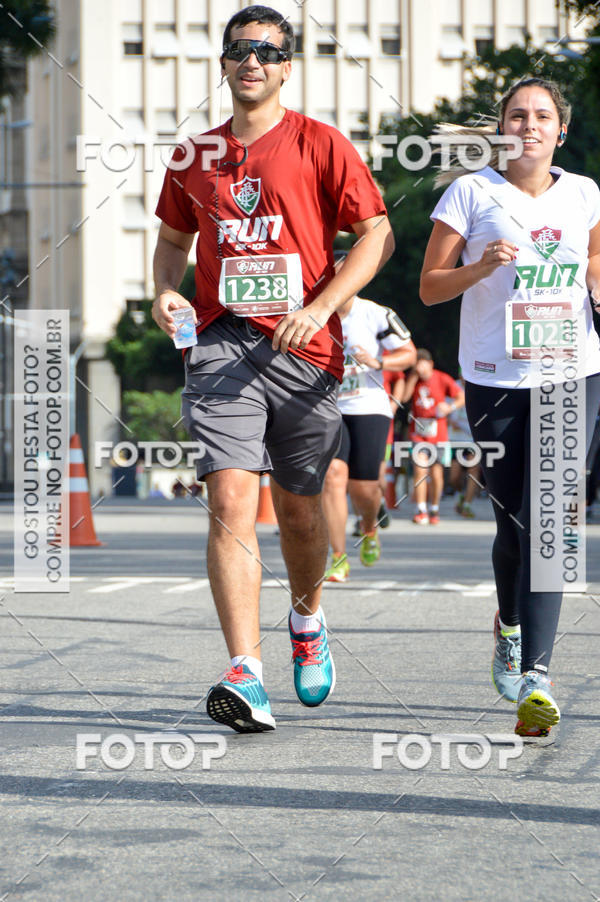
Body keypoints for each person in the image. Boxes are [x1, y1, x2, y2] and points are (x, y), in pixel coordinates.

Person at [152, 6, 394, 733]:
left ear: (287, 66)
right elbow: (170, 244)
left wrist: (322, 308)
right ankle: (245, 672)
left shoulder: (322, 144)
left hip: (306, 352)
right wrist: (166, 291)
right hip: (223, 344)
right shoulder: (193, 156)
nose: (251, 60)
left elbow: (375, 233)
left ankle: (308, 616)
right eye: (239, 50)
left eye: (266, 50)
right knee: (229, 498)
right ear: (223, 64)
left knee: (298, 512)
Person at [420, 76, 600, 737]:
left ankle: (538, 678)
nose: (528, 124)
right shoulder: (470, 193)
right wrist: (482, 265)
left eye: (542, 115)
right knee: (513, 526)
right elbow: (431, 287)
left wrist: (596, 284)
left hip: (571, 368)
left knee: (551, 515)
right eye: (516, 114)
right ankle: (510, 624)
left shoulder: (584, 193)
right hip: (496, 376)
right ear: (500, 128)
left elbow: (596, 256)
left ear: (560, 129)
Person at [321, 251, 416, 582]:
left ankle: (369, 527)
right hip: (329, 408)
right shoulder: (317, 313)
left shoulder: (375, 313)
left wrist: (379, 364)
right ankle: (337, 557)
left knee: (364, 489)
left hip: (367, 406)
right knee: (333, 476)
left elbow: (409, 354)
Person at [403, 349, 464, 525]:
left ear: (430, 364)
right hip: (418, 433)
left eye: (422, 363)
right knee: (420, 470)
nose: (419, 367)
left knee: (437, 474)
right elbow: (405, 397)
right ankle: (420, 509)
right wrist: (413, 377)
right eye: (417, 364)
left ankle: (434, 508)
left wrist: (450, 408)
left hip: (438, 433)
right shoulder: (413, 380)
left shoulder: (442, 378)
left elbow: (461, 396)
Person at [447, 372, 481, 518]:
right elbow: (443, 407)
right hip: (455, 439)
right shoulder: (452, 386)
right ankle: (461, 494)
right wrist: (449, 419)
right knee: (454, 477)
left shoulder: (479, 385)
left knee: (474, 471)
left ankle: (467, 505)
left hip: (473, 438)